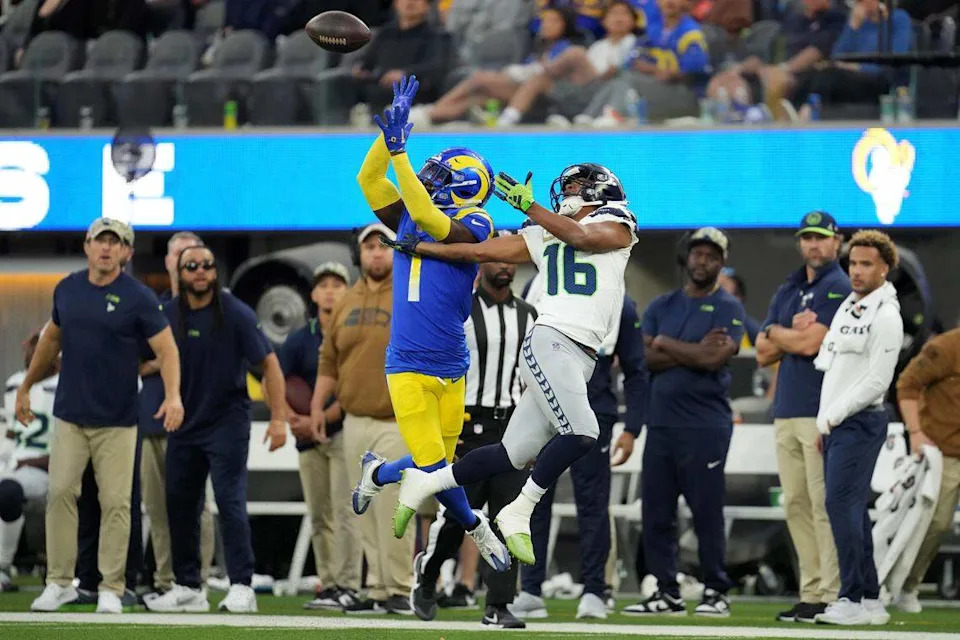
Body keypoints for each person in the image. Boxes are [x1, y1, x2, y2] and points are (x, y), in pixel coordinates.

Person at [382, 162, 639, 572]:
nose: (568, 190)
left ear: (600, 189)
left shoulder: (616, 220)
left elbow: (583, 237)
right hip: (552, 339)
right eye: (567, 185)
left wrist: (532, 207)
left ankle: (427, 481)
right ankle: (520, 509)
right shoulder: (543, 230)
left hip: (581, 354)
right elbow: (478, 252)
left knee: (511, 454)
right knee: (584, 431)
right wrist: (421, 248)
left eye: (576, 184)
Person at [348, 75, 511, 574]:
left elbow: (431, 218)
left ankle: (378, 474)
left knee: (436, 467)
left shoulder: (478, 225)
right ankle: (477, 528)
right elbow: (368, 181)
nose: (431, 177)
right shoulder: (409, 217)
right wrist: (388, 138)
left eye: (442, 175)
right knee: (438, 468)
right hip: (407, 363)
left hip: (452, 366)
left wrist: (400, 157)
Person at [18, 218, 183, 614]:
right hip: (71, 414)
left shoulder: (139, 297)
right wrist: (25, 386)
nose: (107, 248)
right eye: (100, 241)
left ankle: (111, 586)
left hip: (119, 419)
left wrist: (174, 396)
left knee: (116, 503)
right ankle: (59, 582)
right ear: (87, 246)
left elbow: (168, 350)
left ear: (127, 252)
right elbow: (50, 340)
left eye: (116, 242)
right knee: (59, 494)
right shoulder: (68, 289)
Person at [144, 245, 287, 614]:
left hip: (227, 422)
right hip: (184, 422)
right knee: (179, 505)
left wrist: (278, 418)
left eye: (207, 265)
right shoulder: (167, 313)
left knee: (230, 502)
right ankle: (188, 586)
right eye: (191, 266)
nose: (200, 271)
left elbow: (269, 365)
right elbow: (147, 358)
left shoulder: (235, 312)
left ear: (215, 270)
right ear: (179, 272)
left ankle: (242, 585)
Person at [411, 250, 537, 629]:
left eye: (511, 260)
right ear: (481, 264)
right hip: (467, 425)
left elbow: (534, 376)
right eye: (498, 259)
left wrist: (536, 432)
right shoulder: (460, 309)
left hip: (512, 426)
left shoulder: (530, 316)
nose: (506, 266)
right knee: (457, 519)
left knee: (509, 518)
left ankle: (498, 604)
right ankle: (429, 575)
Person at [623, 227, 745, 618]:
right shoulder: (661, 304)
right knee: (656, 512)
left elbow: (714, 359)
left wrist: (664, 344)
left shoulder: (728, 307)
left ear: (721, 262)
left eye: (711, 255)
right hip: (661, 423)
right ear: (687, 258)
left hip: (705, 425)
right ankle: (666, 591)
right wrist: (689, 350)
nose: (702, 261)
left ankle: (715, 590)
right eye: (697, 254)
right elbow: (641, 359)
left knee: (705, 510)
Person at [513, 293, 648, 620]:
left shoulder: (618, 300)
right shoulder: (539, 284)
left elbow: (635, 368)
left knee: (593, 502)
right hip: (544, 408)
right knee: (534, 498)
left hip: (593, 409)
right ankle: (530, 588)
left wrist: (632, 428)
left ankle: (594, 590)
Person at [310, 224, 414, 615]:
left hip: (396, 417)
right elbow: (328, 360)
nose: (376, 253)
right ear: (359, 254)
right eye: (369, 246)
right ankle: (377, 588)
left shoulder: (408, 291)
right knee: (363, 508)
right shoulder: (346, 300)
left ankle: (401, 587)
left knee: (392, 503)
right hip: (354, 418)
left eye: (383, 245)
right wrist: (318, 406)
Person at [755, 211, 849, 623]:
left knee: (822, 502)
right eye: (807, 238)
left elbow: (815, 343)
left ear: (836, 241)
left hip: (819, 409)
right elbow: (761, 351)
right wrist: (783, 335)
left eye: (821, 238)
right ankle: (811, 591)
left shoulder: (840, 286)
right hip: (786, 410)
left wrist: (780, 335)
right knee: (795, 502)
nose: (814, 245)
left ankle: (831, 591)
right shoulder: (789, 286)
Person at [813, 230, 903, 625]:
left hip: (861, 421)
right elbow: (832, 370)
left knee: (841, 505)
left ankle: (849, 598)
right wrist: (824, 421)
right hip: (838, 423)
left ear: (885, 268)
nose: (857, 270)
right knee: (850, 509)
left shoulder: (887, 316)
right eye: (853, 263)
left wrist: (833, 416)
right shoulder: (849, 308)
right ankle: (869, 598)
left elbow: (877, 383)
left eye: (867, 264)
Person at [275, 261, 361, 610]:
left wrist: (321, 417)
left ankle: (349, 583)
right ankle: (328, 582)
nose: (330, 291)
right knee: (319, 513)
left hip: (343, 431)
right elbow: (278, 383)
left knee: (345, 511)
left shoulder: (355, 333)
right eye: (323, 285)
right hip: (308, 437)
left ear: (347, 291)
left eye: (337, 284)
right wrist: (295, 418)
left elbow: (355, 383)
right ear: (313, 293)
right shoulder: (298, 339)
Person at [139, 231, 216, 598]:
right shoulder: (151, 308)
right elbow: (132, 360)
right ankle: (166, 580)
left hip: (198, 420)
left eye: (196, 256)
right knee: (156, 505)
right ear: (170, 262)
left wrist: (164, 360)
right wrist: (164, 360)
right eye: (179, 254)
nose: (189, 262)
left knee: (197, 504)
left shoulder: (215, 307)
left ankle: (194, 580)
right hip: (154, 416)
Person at [410, 6, 578, 126]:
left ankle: (431, 109)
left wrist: (513, 73)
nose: (546, 25)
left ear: (566, 24)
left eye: (553, 21)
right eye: (545, 21)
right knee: (477, 99)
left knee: (479, 79)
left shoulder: (570, 49)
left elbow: (543, 74)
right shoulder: (540, 48)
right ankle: (429, 116)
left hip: (548, 98)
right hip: (522, 94)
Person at [894, 326, 960, 613]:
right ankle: (906, 584)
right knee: (936, 522)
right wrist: (916, 432)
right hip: (946, 451)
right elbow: (907, 384)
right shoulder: (946, 347)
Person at [0, 329, 59, 592]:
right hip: (17, 464)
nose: (31, 357)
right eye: (30, 351)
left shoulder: (63, 386)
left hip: (47, 468)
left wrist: (36, 462)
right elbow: (13, 431)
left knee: (8, 492)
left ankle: (2, 565)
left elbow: (69, 445)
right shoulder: (16, 384)